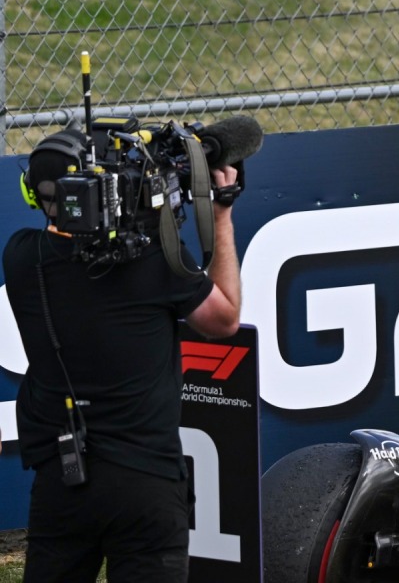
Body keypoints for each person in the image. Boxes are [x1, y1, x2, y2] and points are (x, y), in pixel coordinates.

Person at [4, 127, 243, 582]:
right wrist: (221, 216)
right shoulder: (154, 260)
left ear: (34, 196)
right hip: (146, 484)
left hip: (62, 480)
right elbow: (224, 320)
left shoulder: (20, 258)